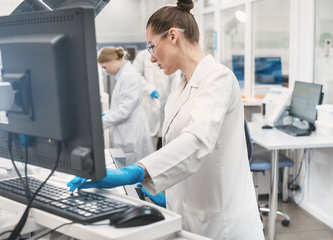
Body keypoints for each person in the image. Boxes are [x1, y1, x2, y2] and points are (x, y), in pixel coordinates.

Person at [68, 1, 264, 239]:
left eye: (151, 46)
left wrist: (137, 171)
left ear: (172, 36)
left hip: (223, 223)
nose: (150, 58)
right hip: (187, 213)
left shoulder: (219, 78)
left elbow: (196, 142)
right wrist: (164, 193)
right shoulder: (180, 87)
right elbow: (174, 149)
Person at [97, 47, 153, 164]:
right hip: (127, 134)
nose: (106, 72)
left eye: (105, 67)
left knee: (132, 176)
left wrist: (99, 123)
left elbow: (124, 111)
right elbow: (121, 107)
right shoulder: (124, 76)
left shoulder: (129, 76)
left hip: (131, 137)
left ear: (112, 60)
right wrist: (106, 115)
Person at [133, 49, 180, 150]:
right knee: (148, 135)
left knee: (163, 136)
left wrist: (174, 96)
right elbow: (136, 75)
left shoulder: (169, 54)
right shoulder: (143, 56)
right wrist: (149, 89)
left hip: (166, 99)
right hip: (148, 100)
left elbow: (175, 77)